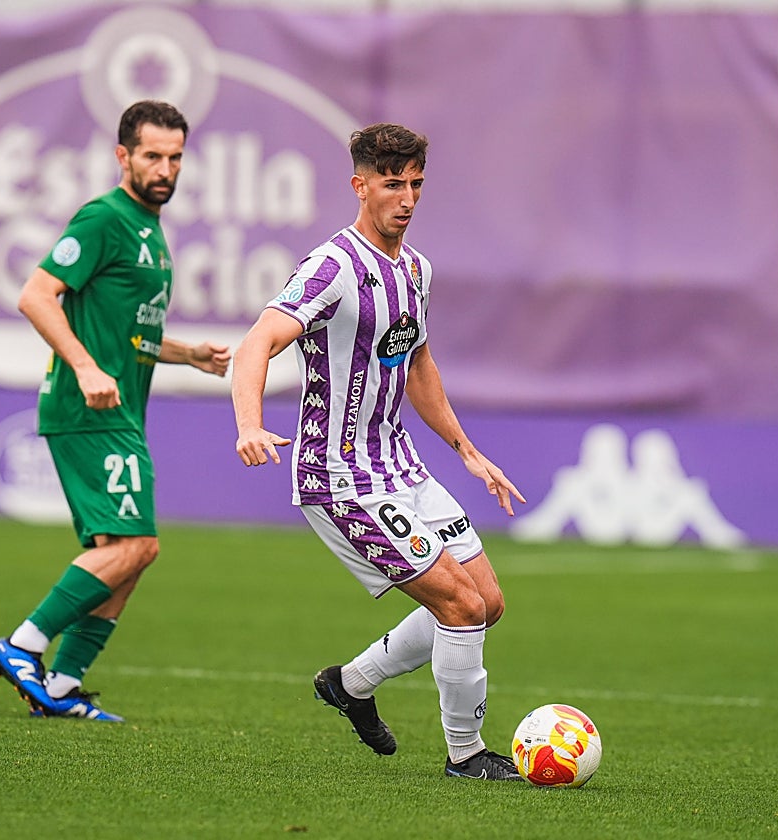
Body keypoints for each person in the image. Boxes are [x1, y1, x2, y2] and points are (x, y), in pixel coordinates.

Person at [231, 123, 527, 779]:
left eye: (417, 183)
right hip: (341, 479)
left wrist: (466, 450)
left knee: (488, 604)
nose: (408, 197)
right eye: (393, 184)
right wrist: (249, 424)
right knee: (458, 606)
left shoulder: (416, 269)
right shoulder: (331, 268)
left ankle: (351, 685)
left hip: (403, 469)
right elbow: (257, 343)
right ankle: (466, 755)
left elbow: (417, 361)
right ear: (360, 185)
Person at [0, 100, 231, 722]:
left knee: (123, 551)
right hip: (88, 408)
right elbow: (36, 296)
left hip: (120, 410)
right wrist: (86, 367)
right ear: (123, 156)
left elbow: (125, 332)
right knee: (135, 546)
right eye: (152, 156)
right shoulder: (104, 217)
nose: (165, 169)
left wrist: (188, 354)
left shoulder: (150, 228)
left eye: (175, 158)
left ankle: (63, 686)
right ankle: (22, 646)